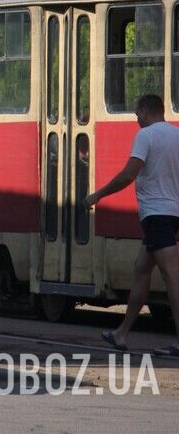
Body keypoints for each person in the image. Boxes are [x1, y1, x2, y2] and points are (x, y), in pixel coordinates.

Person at [85, 94, 179, 356]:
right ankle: (121, 333)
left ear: (145, 111)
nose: (137, 119)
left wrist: (98, 194)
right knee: (141, 269)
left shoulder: (146, 136)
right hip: (171, 214)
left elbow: (129, 173)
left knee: (172, 275)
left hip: (157, 214)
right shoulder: (176, 136)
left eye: (137, 114)